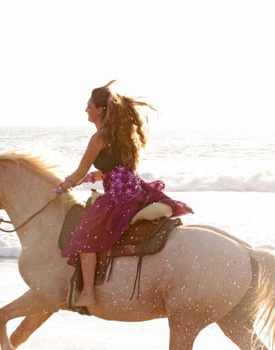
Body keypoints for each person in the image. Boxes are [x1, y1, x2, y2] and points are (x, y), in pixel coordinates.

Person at [51, 81, 193, 308]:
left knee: (85, 235)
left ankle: (87, 292)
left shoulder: (98, 138)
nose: (85, 109)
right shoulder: (123, 135)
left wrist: (58, 189)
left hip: (119, 198)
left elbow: (78, 172)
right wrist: (96, 177)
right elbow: (118, 169)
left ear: (100, 110)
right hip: (137, 190)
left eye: (88, 106)